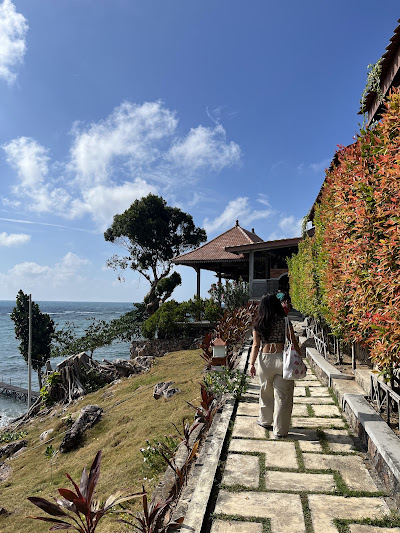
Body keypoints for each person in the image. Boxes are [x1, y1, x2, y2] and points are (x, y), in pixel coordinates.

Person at [249, 293, 302, 438]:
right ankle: (280, 431)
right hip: (282, 359)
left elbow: (255, 345)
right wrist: (299, 357)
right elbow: (293, 341)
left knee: (265, 392)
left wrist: (252, 364)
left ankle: (265, 421)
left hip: (265, 361)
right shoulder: (285, 321)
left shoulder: (258, 323)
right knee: (283, 397)